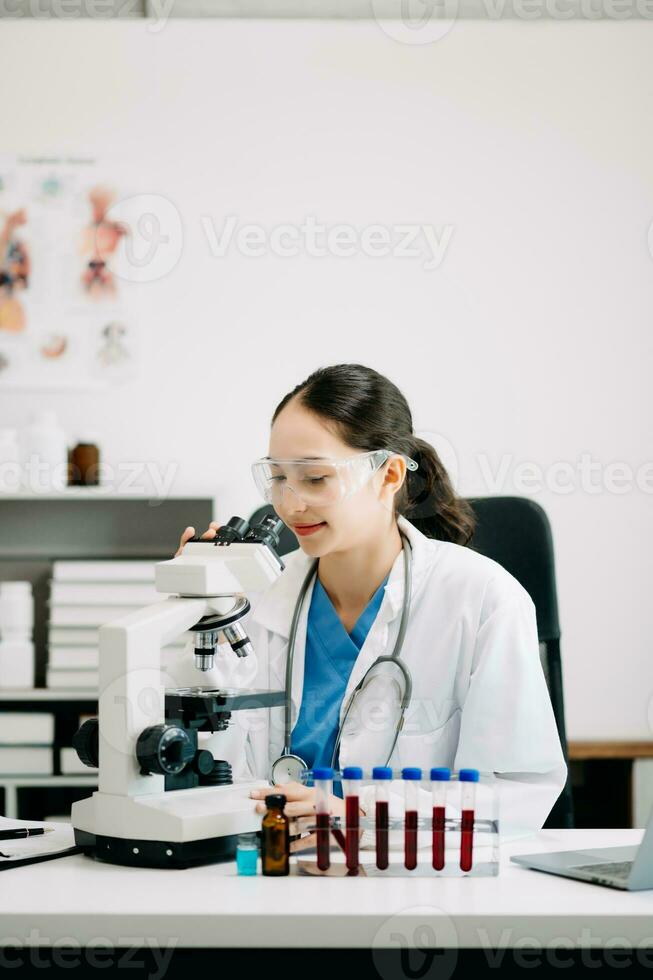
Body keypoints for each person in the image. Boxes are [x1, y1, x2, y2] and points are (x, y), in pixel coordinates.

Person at [175, 363, 567, 841]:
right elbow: (182, 762)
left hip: (408, 884)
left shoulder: (481, 599)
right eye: (277, 477)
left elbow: (515, 794)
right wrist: (191, 616)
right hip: (264, 869)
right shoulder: (245, 602)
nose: (290, 504)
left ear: (390, 475)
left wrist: (352, 815)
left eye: (315, 478)